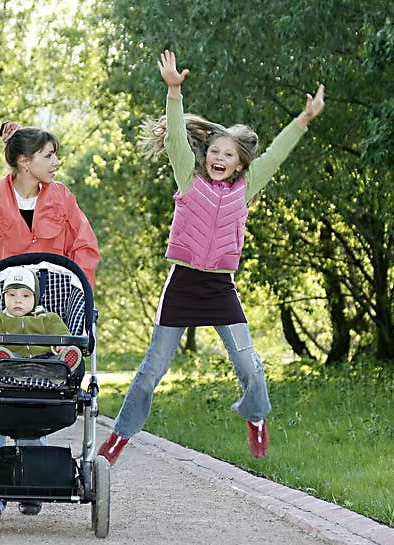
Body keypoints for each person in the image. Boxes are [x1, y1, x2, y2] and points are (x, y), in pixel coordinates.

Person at [98, 49, 325, 464]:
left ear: (241, 166)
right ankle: (119, 436)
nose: (219, 158)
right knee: (151, 371)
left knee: (249, 364)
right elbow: (173, 140)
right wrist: (173, 90)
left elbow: (275, 154)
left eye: (228, 155)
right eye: (214, 152)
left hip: (220, 286)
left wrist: (303, 121)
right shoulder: (188, 177)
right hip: (183, 284)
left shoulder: (246, 187)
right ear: (205, 156)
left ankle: (255, 416)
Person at [0, 120, 100, 520]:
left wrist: (78, 292)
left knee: (45, 387)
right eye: (49, 156)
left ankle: (35, 480)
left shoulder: (62, 199)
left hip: (47, 314)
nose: (56, 162)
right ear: (24, 161)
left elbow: (84, 246)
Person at [0, 264, 83, 373]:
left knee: (56, 361)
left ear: (35, 298)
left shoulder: (47, 317)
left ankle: (61, 370)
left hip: (45, 361)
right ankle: (8, 367)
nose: (18, 300)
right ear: (3, 296)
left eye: (25, 296)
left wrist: (63, 345)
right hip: (14, 360)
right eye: (12, 295)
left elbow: (61, 332)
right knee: (4, 358)